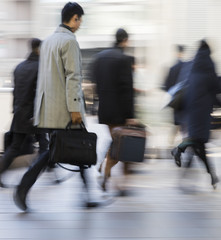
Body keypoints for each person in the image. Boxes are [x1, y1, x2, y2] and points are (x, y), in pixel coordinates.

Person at [13, 2, 105, 211]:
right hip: (65, 108)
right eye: (80, 20)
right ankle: (23, 186)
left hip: (48, 107)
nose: (80, 24)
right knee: (68, 147)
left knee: (63, 148)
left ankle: (88, 194)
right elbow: (73, 77)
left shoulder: (48, 41)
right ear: (74, 18)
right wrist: (74, 109)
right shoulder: (69, 41)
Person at [0, 38, 48, 187]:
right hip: (35, 115)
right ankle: (29, 178)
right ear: (38, 49)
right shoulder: (41, 67)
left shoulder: (19, 67)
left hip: (19, 113)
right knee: (44, 147)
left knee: (15, 146)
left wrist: (15, 110)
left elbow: (15, 92)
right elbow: (41, 94)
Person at [91, 28, 137, 196]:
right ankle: (108, 174)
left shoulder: (99, 58)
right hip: (120, 112)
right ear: (125, 40)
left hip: (105, 110)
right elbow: (127, 90)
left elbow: (94, 84)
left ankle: (106, 169)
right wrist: (130, 115)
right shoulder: (124, 59)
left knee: (116, 141)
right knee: (122, 145)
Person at [171, 40, 220, 189]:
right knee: (198, 141)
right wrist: (219, 103)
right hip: (204, 109)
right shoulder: (210, 65)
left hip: (191, 109)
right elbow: (215, 87)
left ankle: (212, 176)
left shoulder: (192, 64)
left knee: (198, 143)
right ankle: (179, 149)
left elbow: (185, 84)